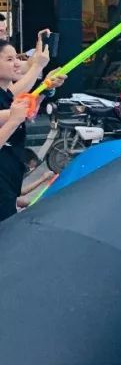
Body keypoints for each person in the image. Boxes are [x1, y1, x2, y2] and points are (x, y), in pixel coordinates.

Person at [0, 31, 67, 222]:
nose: (16, 63)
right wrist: (38, 67)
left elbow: (23, 103)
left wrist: (46, 87)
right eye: (9, 59)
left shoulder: (6, 95)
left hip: (9, 180)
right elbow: (14, 113)